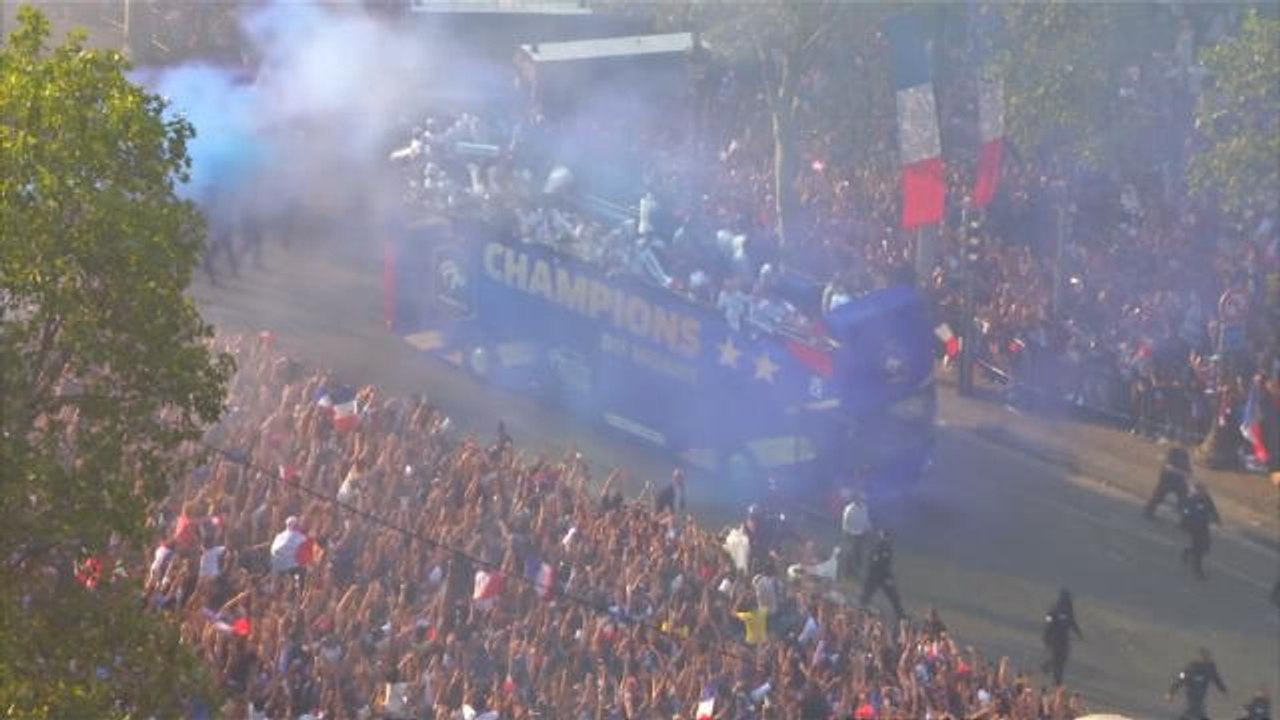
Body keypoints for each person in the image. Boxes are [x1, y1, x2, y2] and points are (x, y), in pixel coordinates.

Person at [1167, 648, 1228, 720]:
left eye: (1207, 657)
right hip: (1192, 693)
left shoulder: (1210, 667)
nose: (1206, 659)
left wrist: (1223, 690)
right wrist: (1171, 692)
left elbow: (1217, 679)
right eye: (1204, 657)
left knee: (1196, 711)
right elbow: (1180, 679)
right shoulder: (1191, 667)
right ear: (1199, 657)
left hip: (1201, 694)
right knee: (1194, 710)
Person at [859, 529, 905, 621]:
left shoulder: (888, 549)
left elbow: (886, 564)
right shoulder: (877, 548)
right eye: (886, 537)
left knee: (893, 596)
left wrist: (889, 576)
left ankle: (900, 615)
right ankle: (861, 609)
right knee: (866, 594)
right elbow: (874, 564)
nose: (888, 540)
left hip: (883, 577)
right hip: (875, 577)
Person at [1040, 588, 1083, 686]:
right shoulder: (1057, 608)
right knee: (1059, 658)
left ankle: (1048, 669)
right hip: (1056, 638)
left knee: (1062, 658)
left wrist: (1079, 634)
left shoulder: (1066, 609)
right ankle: (1056, 679)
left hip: (1062, 638)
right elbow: (1049, 620)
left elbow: (1072, 622)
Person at [1179, 482, 1221, 580]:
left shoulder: (1207, 498)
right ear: (1197, 490)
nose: (1204, 492)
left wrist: (1217, 520)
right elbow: (1185, 512)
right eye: (1202, 490)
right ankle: (1198, 570)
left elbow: (1212, 509)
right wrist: (1186, 522)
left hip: (1203, 526)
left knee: (1205, 546)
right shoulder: (1191, 499)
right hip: (1194, 526)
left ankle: (1188, 552)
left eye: (1205, 490)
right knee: (1199, 548)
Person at [1145, 446, 1191, 520]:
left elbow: (1188, 469)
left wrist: (1188, 474)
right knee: (1159, 494)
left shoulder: (1185, 455)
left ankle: (1185, 517)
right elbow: (1168, 467)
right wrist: (1182, 472)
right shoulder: (1173, 451)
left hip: (1179, 481)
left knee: (1184, 497)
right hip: (1167, 479)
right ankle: (1149, 510)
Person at [840, 488, 871, 579]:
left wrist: (868, 527)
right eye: (862, 499)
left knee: (859, 552)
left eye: (864, 499)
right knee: (850, 553)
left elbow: (866, 518)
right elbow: (846, 523)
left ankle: (857, 568)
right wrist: (850, 534)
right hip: (851, 534)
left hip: (861, 533)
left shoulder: (864, 507)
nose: (863, 501)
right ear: (856, 499)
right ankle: (848, 572)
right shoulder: (850, 509)